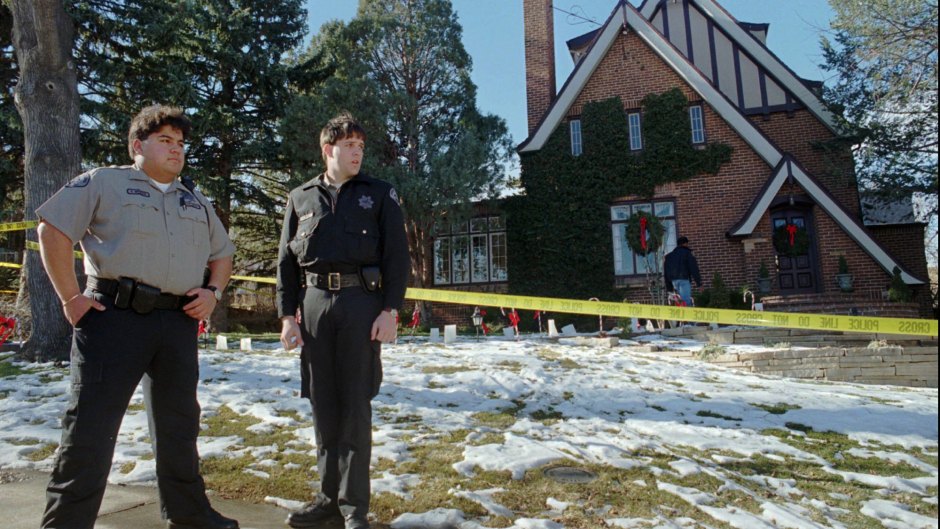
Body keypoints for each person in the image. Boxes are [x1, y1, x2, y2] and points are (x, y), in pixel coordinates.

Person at [36, 105, 237, 529]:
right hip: (113, 319)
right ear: (136, 145)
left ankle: (189, 515)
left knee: (180, 427)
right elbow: (51, 228)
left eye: (180, 143)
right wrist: (70, 298)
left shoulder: (194, 199)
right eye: (165, 140)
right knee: (89, 430)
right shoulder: (105, 182)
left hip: (176, 323)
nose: (176, 149)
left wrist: (213, 292)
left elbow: (223, 252)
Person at [277, 113, 410, 529]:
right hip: (314, 305)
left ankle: (355, 508)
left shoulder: (380, 194)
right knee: (323, 405)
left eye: (361, 146)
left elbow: (397, 258)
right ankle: (327, 499)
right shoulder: (300, 198)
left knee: (354, 405)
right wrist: (287, 317)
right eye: (349, 145)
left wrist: (390, 311)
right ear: (328, 149)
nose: (357, 152)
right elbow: (285, 264)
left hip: (360, 304)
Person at [664, 236, 702, 307]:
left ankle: (678, 317)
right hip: (684, 280)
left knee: (678, 304)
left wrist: (669, 288)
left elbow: (666, 273)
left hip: (673, 282)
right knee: (686, 303)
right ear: (685, 244)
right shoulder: (687, 253)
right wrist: (699, 283)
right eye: (687, 244)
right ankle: (687, 317)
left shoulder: (669, 256)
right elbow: (694, 268)